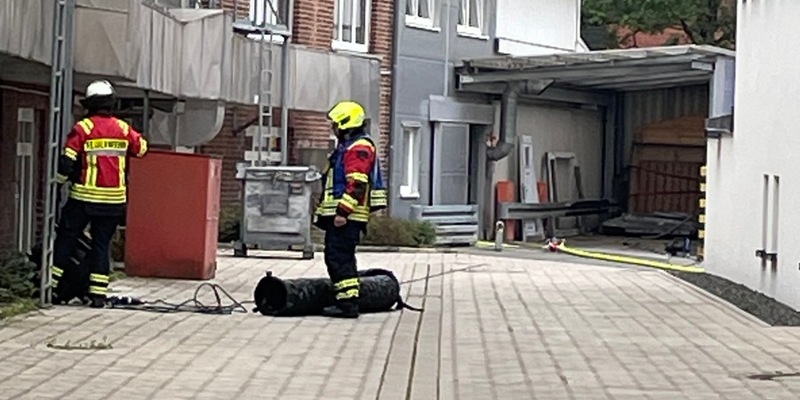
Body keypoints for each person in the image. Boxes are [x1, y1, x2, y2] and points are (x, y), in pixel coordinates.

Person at [51, 80, 148, 308]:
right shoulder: (123, 129)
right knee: (101, 245)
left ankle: (52, 288)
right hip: (113, 201)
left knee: (66, 239)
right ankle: (98, 296)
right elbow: (142, 149)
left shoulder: (83, 129)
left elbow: (66, 164)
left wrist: (57, 184)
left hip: (83, 198)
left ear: (89, 105)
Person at [314, 100, 387, 318]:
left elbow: (357, 183)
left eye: (335, 124)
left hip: (347, 216)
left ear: (345, 125)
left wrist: (342, 212)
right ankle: (347, 300)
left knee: (339, 257)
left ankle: (347, 304)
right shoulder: (347, 147)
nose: (333, 129)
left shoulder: (358, 148)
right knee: (339, 256)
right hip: (344, 215)